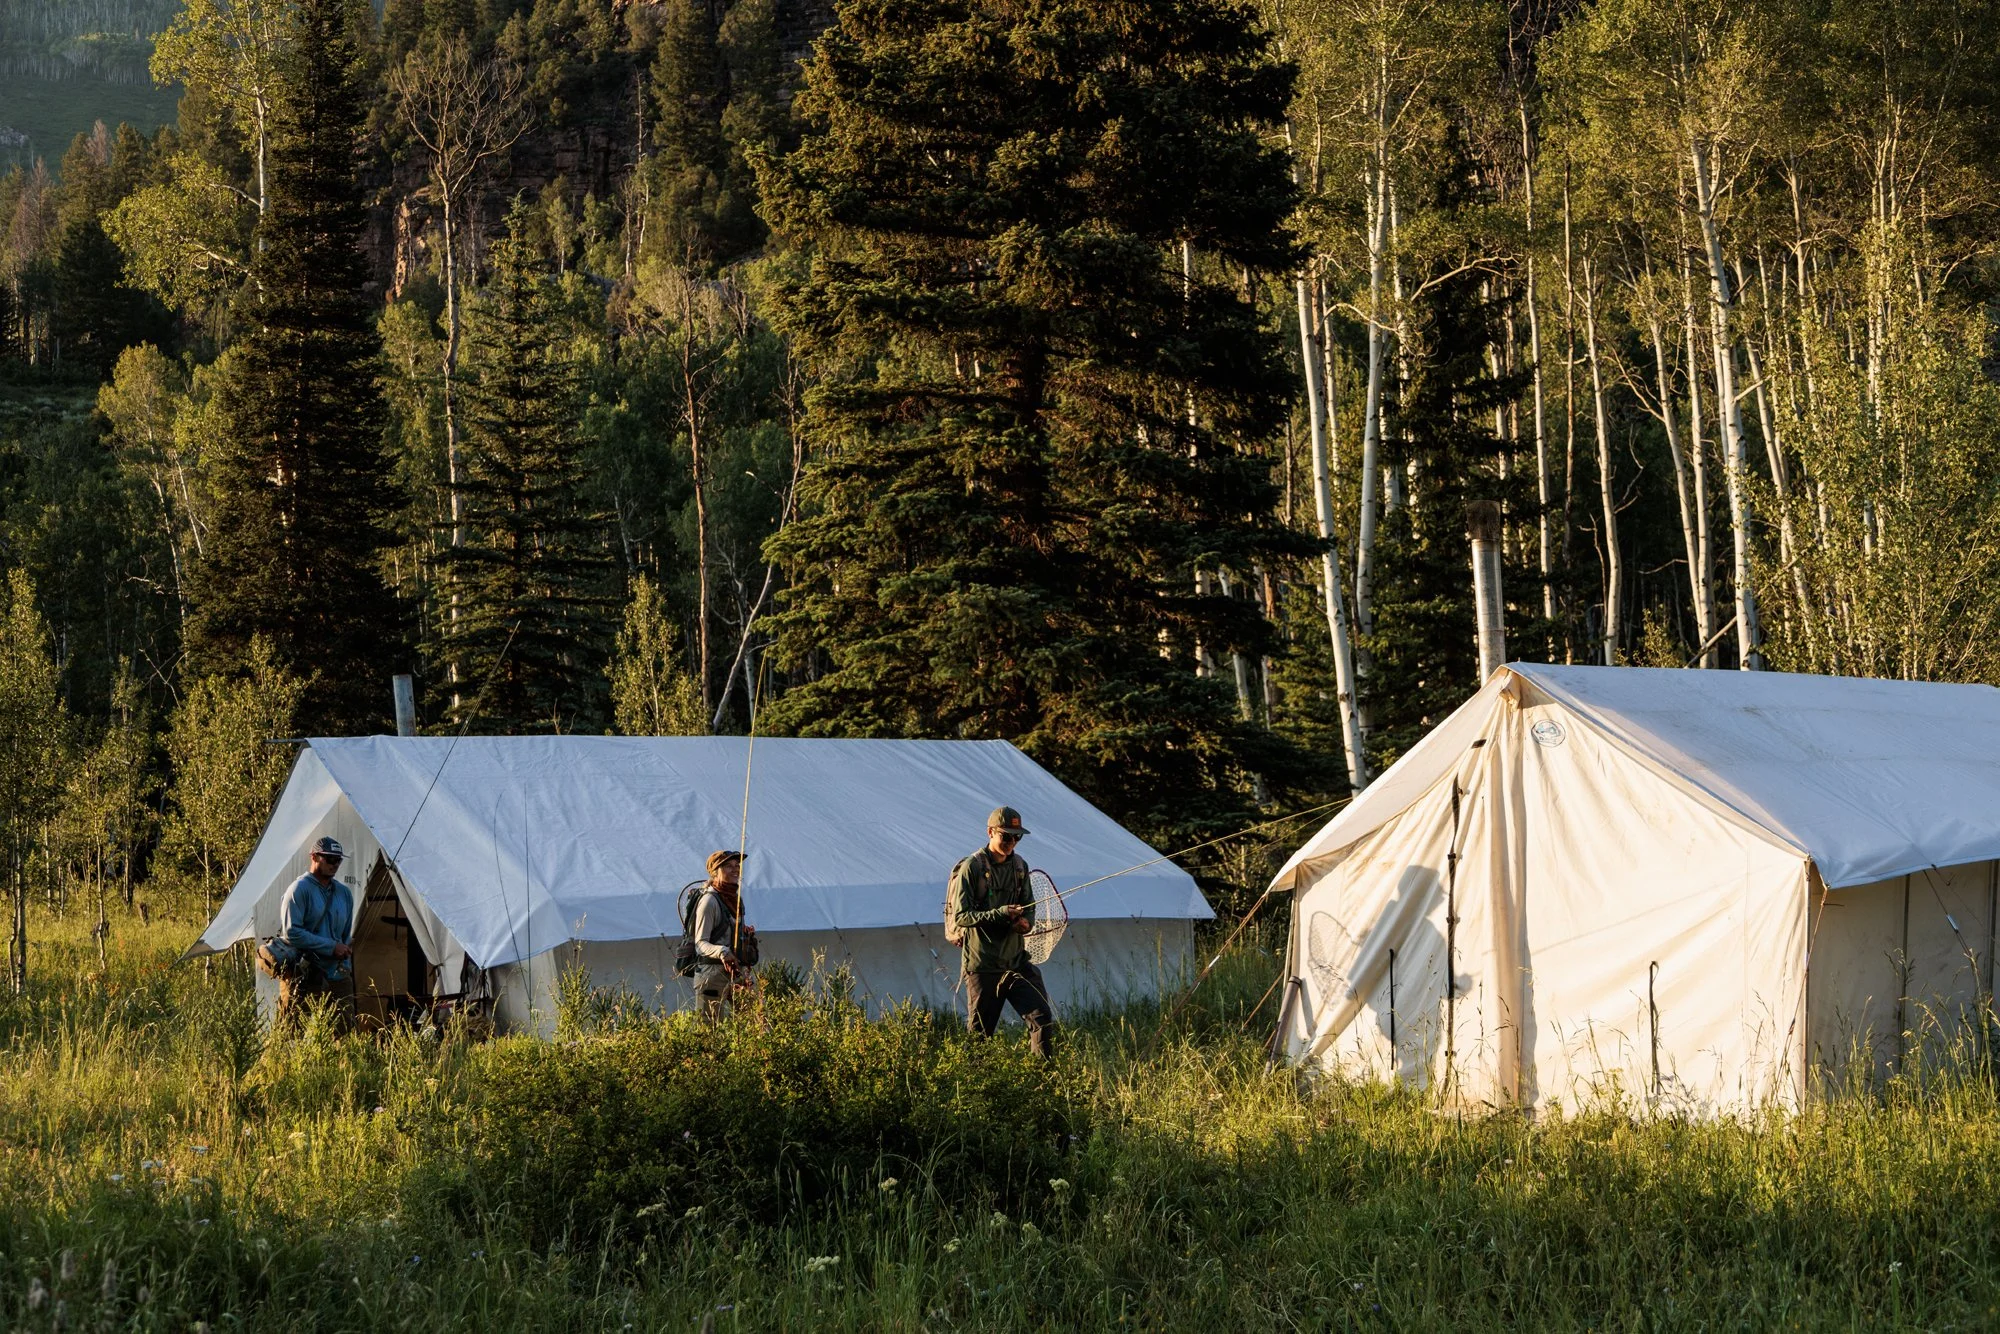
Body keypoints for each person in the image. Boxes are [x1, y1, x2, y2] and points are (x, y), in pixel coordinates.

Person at [948, 806, 1056, 1057]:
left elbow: (1029, 906)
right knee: (980, 1036)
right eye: (1006, 836)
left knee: (1042, 1018)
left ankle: (1043, 1081)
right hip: (984, 964)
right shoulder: (972, 867)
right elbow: (962, 917)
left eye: (1017, 837)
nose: (1011, 842)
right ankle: (976, 1088)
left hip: (1016, 962)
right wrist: (1001, 913)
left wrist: (1025, 923)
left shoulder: (1020, 866)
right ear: (990, 832)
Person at [278, 835, 356, 1030]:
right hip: (303, 973)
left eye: (338, 860)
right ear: (314, 857)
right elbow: (292, 932)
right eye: (329, 859)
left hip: (337, 975)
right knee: (292, 1034)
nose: (335, 864)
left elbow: (345, 934)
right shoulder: (298, 890)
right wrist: (331, 947)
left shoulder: (344, 893)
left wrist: (343, 959)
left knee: (344, 1032)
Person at [691, 849, 756, 1019]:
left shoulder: (736, 899)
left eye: (737, 865)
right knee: (709, 1033)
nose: (735, 869)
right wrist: (723, 952)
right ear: (715, 872)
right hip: (711, 975)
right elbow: (700, 944)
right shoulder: (709, 901)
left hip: (737, 972)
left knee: (753, 1024)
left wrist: (745, 936)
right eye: (728, 866)